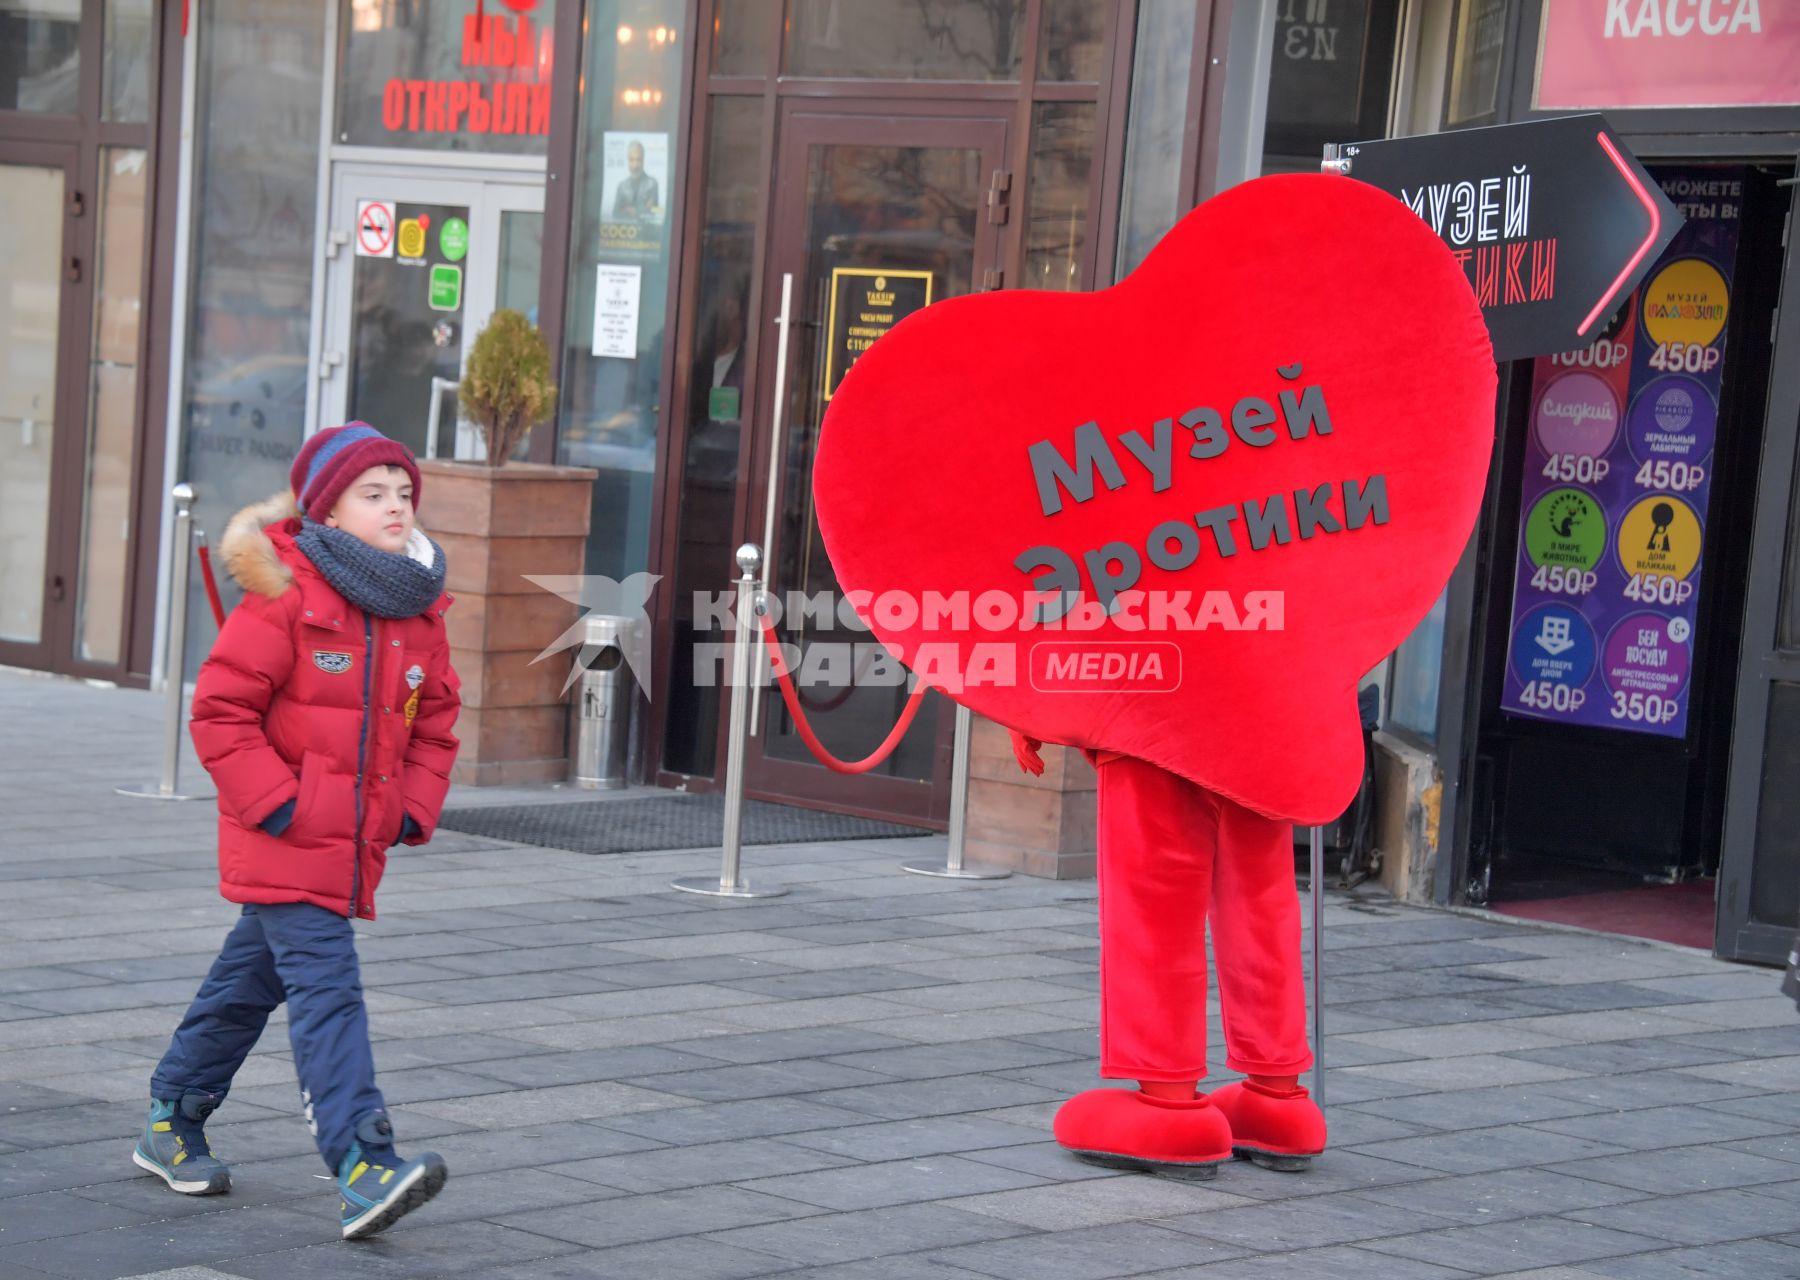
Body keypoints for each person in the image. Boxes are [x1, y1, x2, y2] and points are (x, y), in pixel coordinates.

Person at [134, 422, 461, 1240]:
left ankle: (173, 1113)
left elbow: (436, 722)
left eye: (404, 493)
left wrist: (411, 808)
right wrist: (280, 806)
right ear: (327, 511)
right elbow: (219, 711)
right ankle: (362, 1162)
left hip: (350, 843)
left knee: (252, 980)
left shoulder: (417, 607)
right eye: (373, 493)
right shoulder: (286, 596)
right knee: (326, 987)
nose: (396, 507)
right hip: (282, 831)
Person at [1010, 733, 1326, 1179]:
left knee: (1153, 908)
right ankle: (1279, 1101)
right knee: (1260, 909)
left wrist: (1027, 711)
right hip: (1259, 729)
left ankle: (1170, 1104)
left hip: (1153, 722)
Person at [611, 139, 660, 222]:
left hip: (647, 231)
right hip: (626, 231)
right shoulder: (622, 186)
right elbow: (615, 213)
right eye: (631, 160)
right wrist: (645, 208)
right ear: (628, 161)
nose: (635, 165)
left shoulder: (652, 183)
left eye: (638, 160)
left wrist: (632, 210)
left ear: (643, 160)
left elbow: (657, 210)